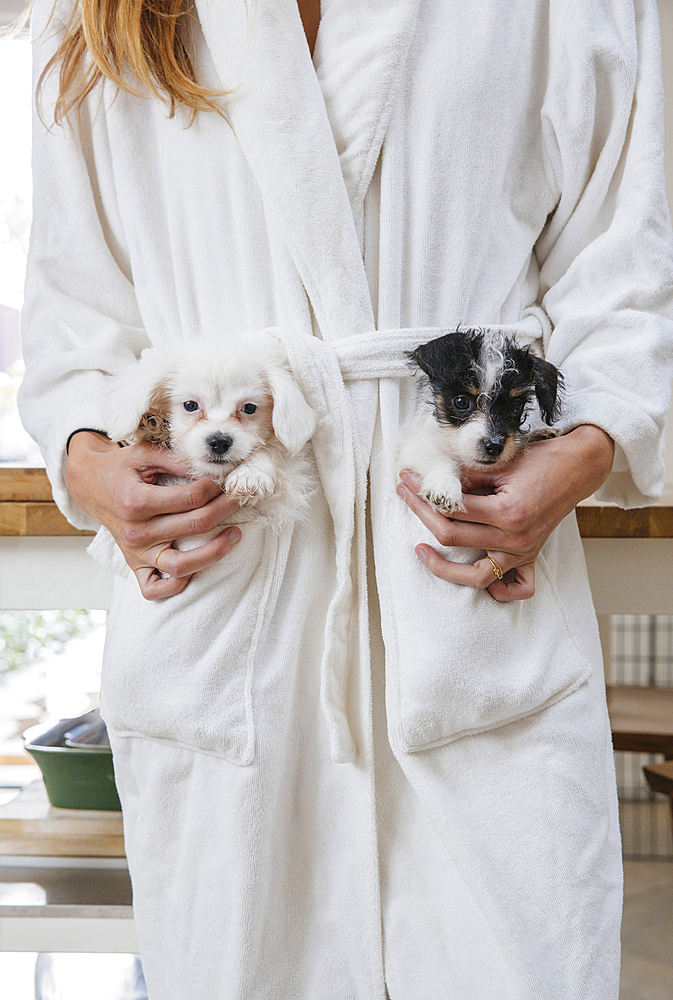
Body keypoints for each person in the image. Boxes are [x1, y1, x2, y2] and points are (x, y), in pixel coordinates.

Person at [18, 0, 673, 996]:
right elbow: (75, 312)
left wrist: (581, 448)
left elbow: (628, 257)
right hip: (229, 574)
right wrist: (89, 460)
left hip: (464, 570)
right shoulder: (91, 13)